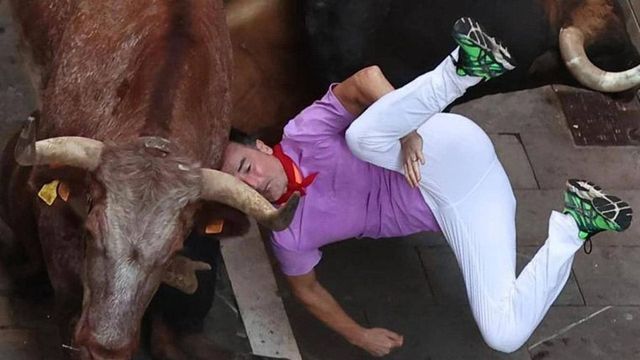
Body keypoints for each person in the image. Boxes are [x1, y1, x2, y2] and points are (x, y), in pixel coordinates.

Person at [221, 17, 633, 356]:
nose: (252, 183)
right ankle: (577, 222)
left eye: (245, 166)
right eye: (239, 185)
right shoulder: (288, 233)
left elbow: (366, 79)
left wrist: (408, 132)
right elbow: (308, 292)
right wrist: (359, 335)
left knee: (360, 138)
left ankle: (463, 66)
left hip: (442, 148)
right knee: (503, 334)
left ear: (260, 145)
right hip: (466, 202)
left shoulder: (301, 134)